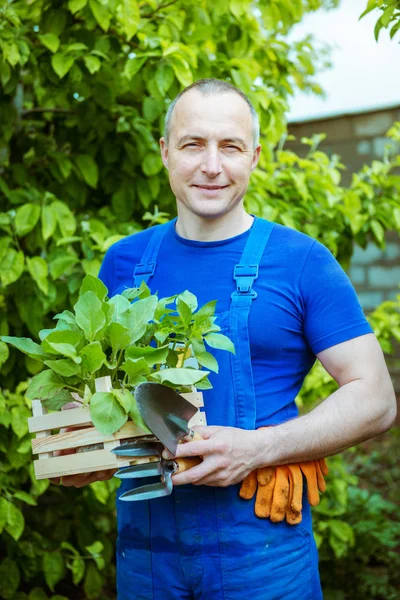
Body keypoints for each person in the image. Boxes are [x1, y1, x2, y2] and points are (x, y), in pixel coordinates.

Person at [60, 79, 396, 599]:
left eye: (230, 146)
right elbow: (109, 398)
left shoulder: (302, 260)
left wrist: (261, 449)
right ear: (165, 152)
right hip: (145, 559)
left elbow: (375, 399)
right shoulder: (123, 262)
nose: (211, 165)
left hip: (263, 561)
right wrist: (86, 452)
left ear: (255, 157)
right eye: (193, 144)